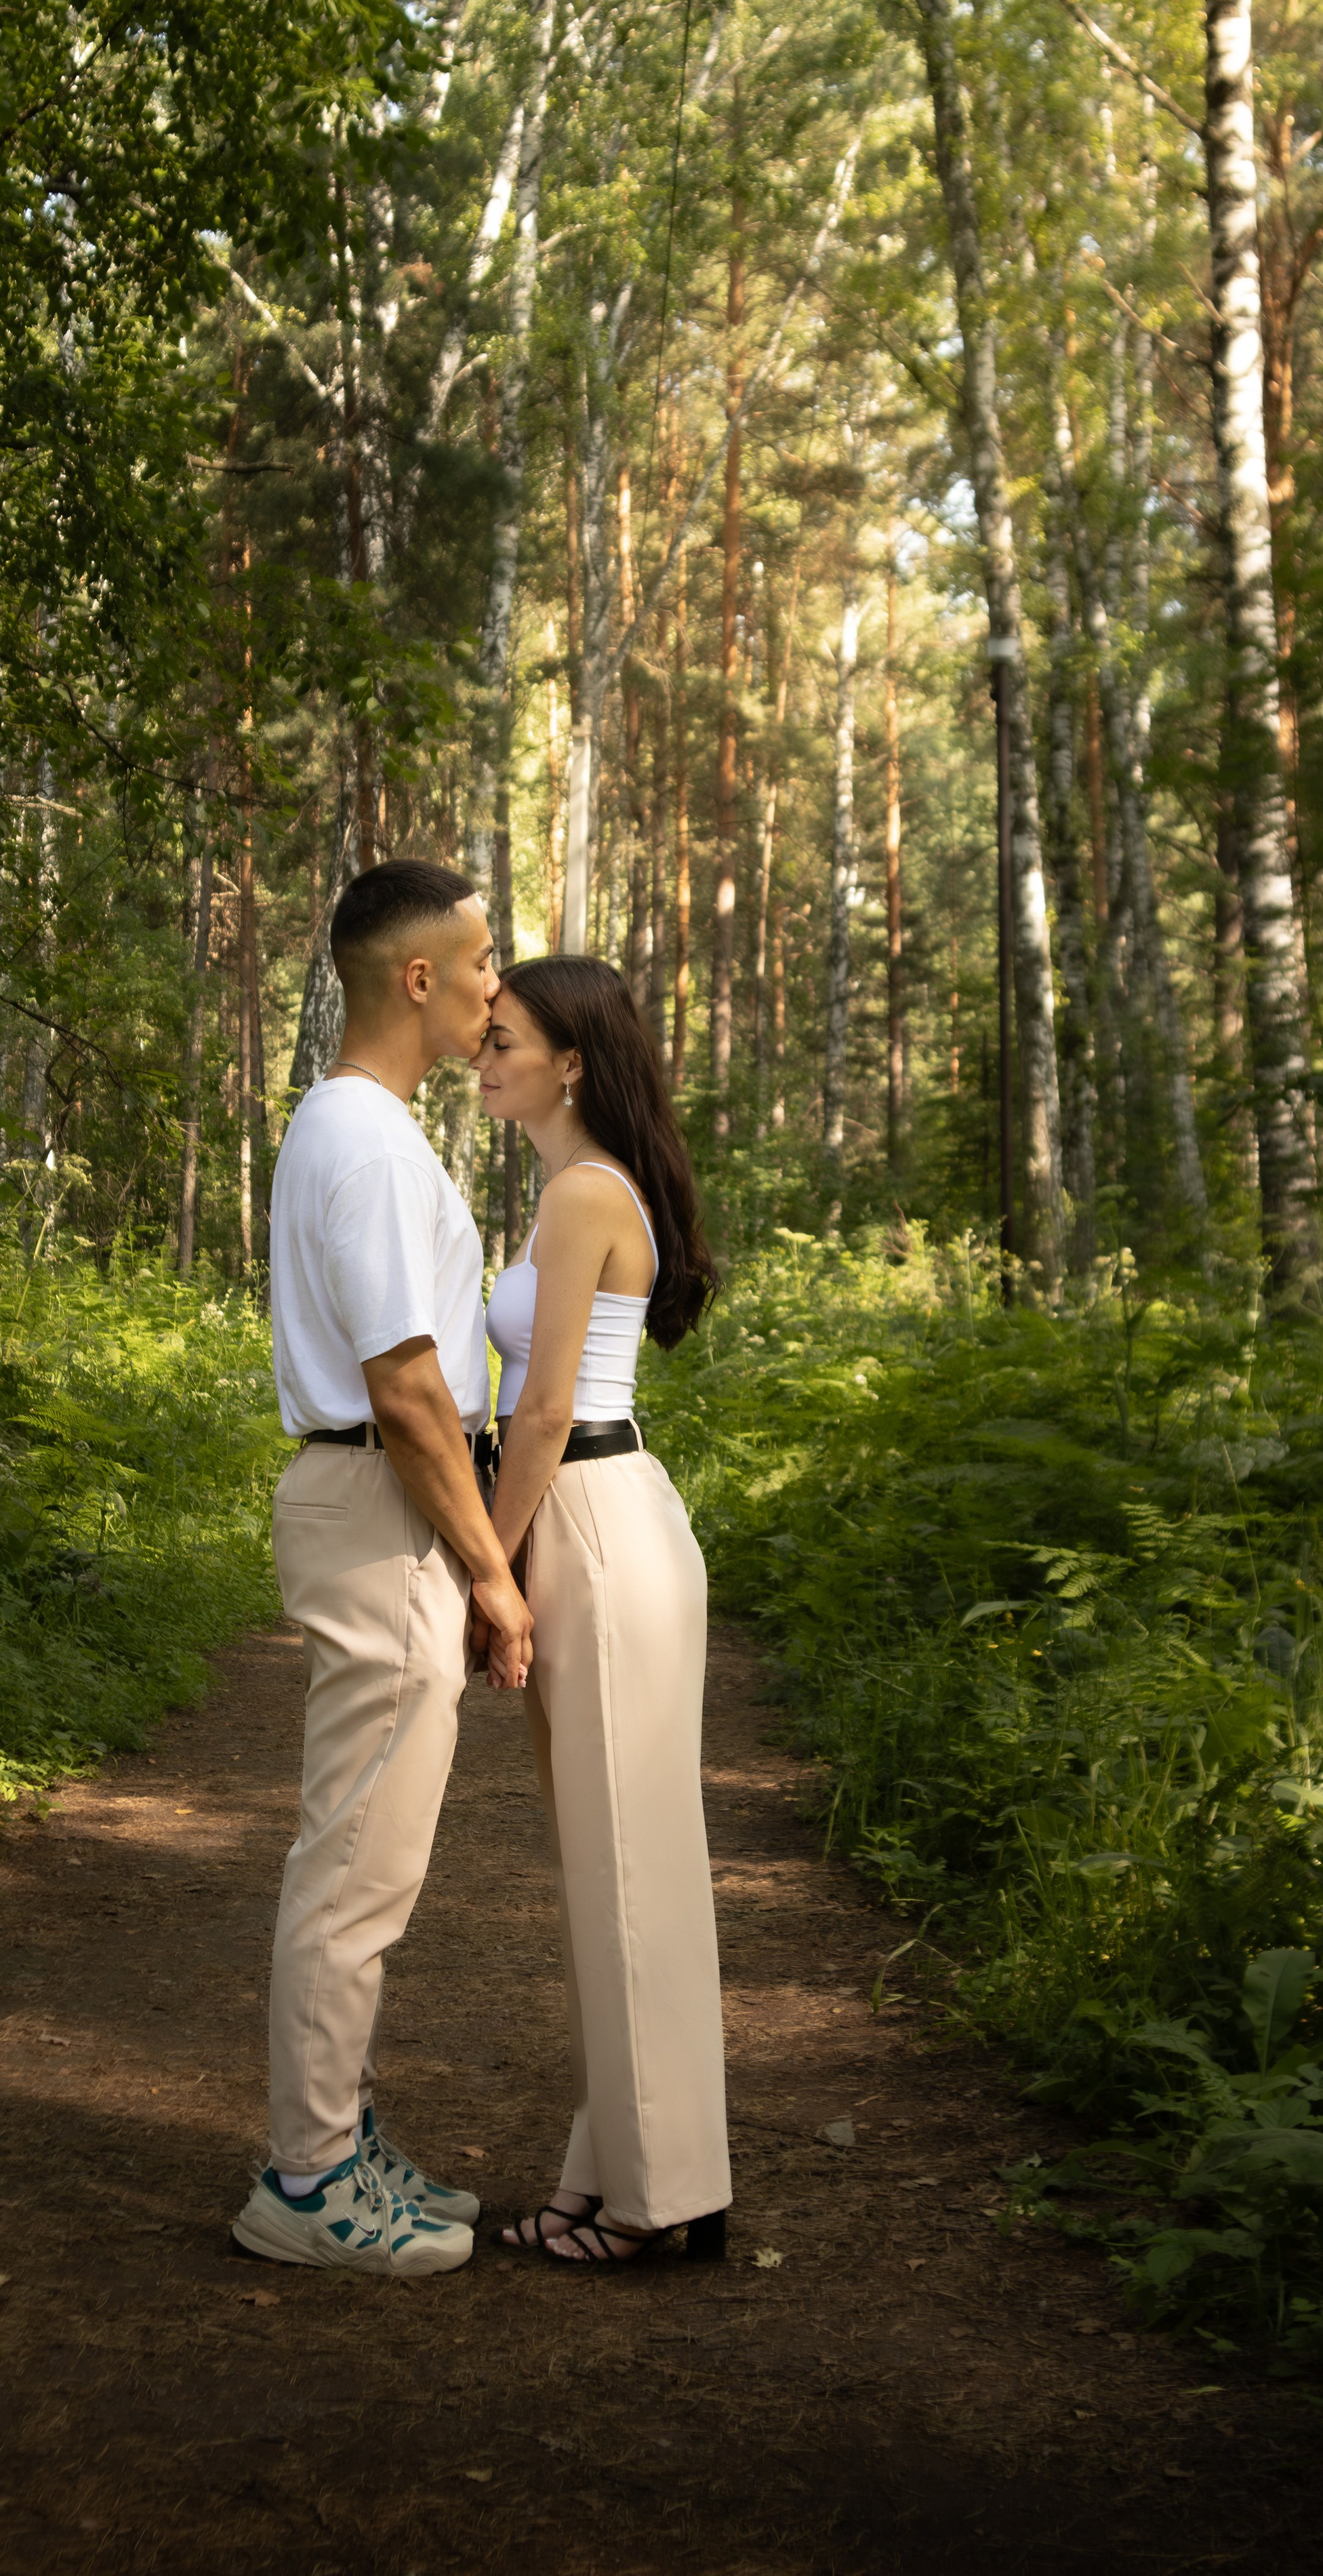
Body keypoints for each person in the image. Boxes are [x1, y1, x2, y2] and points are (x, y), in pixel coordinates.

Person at [230, 858, 535, 2277]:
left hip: (381, 1494)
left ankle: (335, 2136)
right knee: (356, 1861)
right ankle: (302, 2183)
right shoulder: (359, 1136)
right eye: (480, 963)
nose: (495, 988)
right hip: (376, 1495)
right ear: (418, 979)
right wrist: (488, 1571)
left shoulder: (371, 1133)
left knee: (370, 1856)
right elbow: (408, 1386)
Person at [475, 953, 730, 2267]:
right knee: (610, 1871)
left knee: (627, 1871)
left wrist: (488, 1567)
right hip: (603, 1524)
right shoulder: (572, 1191)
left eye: (503, 1039)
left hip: (593, 1522)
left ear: (570, 1060)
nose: (481, 1058)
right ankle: (616, 2165)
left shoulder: (580, 1194)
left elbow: (542, 1408)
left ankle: (664, 2200)